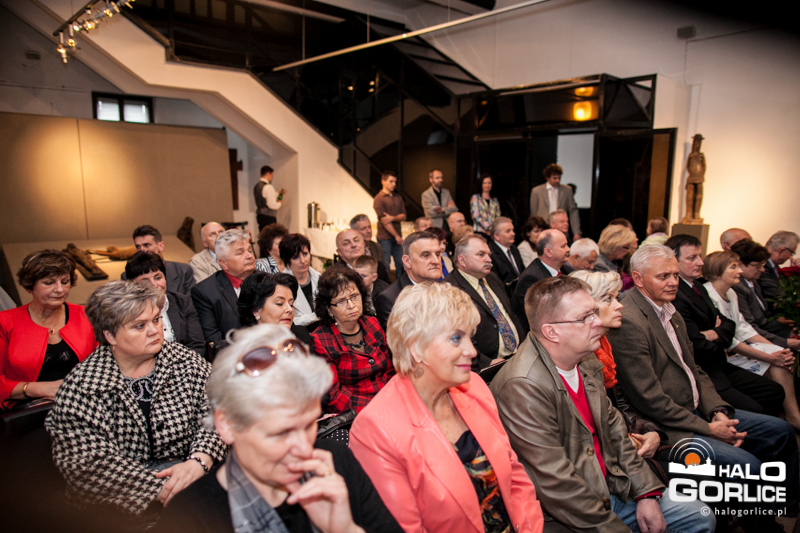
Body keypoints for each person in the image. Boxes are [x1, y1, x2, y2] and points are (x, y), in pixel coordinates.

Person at [491, 276, 713, 532]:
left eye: (594, 312)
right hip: (569, 512)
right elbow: (556, 484)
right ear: (552, 332)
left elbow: (616, 432)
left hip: (610, 485)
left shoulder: (585, 360)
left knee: (700, 516)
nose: (597, 322)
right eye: (585, 317)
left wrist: (646, 493)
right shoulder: (523, 387)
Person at [608, 245, 799, 530]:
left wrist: (717, 410)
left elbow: (695, 369)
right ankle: (762, 527)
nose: (673, 282)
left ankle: (783, 509)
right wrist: (709, 429)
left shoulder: (670, 311)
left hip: (699, 410)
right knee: (748, 467)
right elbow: (650, 400)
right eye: (663, 276)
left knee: (781, 431)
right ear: (638, 279)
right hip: (671, 426)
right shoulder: (630, 321)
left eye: (675, 275)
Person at [155, 324, 402, 533]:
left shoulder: (336, 464)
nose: (304, 448)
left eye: (309, 425)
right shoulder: (190, 516)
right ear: (227, 424)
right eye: (281, 433)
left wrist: (346, 529)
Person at [350, 282, 545, 532]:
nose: (472, 351)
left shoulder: (475, 386)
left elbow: (515, 478)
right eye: (456, 338)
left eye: (470, 337)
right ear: (416, 348)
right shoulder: (375, 430)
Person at [45, 281, 226, 516]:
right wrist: (164, 489)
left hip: (194, 480)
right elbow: (90, 465)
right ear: (110, 335)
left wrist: (199, 461)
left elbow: (218, 412)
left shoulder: (186, 361)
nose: (155, 330)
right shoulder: (82, 386)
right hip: (116, 510)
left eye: (156, 319)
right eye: (139, 326)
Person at [666, 234, 785, 416]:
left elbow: (729, 325)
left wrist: (714, 333)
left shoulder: (698, 286)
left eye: (700, 256)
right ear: (674, 261)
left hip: (719, 363)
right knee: (757, 407)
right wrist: (718, 335)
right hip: (705, 370)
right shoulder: (676, 294)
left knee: (775, 391)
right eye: (692, 258)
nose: (700, 262)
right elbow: (696, 343)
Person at [570, 270, 666, 456]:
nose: (619, 305)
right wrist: (628, 440)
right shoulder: (580, 357)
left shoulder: (604, 346)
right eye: (608, 299)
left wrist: (653, 432)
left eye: (616, 298)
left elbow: (621, 403)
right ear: (586, 308)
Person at [702, 251, 800, 431]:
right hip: (723, 357)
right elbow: (728, 340)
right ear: (718, 270)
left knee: (779, 355)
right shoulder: (708, 294)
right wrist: (770, 356)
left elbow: (743, 327)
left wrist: (776, 349)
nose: (740, 271)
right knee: (775, 361)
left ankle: (787, 416)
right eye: (734, 267)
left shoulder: (730, 292)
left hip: (735, 350)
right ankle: (791, 416)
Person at [1, 250, 95, 409]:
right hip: (27, 412)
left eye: (65, 282)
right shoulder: (5, 322)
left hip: (84, 406)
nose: (60, 289)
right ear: (30, 286)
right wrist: (38, 389)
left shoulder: (87, 315)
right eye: (48, 283)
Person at [312, 266, 393, 414]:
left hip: (389, 400)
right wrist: (375, 410)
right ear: (329, 309)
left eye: (354, 296)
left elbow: (390, 371)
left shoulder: (373, 323)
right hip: (356, 413)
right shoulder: (321, 340)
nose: (351, 305)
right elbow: (334, 396)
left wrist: (393, 400)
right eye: (341, 301)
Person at [445, 234, 523, 369]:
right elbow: (455, 335)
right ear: (462, 260)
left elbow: (510, 314)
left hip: (517, 355)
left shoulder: (492, 278)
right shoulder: (449, 290)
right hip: (489, 365)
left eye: (489, 254)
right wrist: (485, 363)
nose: (489, 259)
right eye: (481, 255)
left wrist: (523, 345)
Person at [125, 251, 205, 354]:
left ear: (165, 277)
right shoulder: (128, 312)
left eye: (158, 278)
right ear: (132, 285)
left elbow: (197, 345)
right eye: (145, 281)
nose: (154, 284)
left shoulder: (183, 302)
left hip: (186, 361)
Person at [192, 229, 255, 349]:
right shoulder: (205, 292)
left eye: (250, 250)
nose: (249, 256)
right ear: (224, 263)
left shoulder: (267, 281)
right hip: (234, 353)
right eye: (240, 253)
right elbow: (213, 339)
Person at [731, 239, 797, 348]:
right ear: (740, 264)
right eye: (757, 266)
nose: (762, 270)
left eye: (763, 265)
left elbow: (763, 320)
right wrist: (785, 342)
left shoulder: (753, 282)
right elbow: (749, 327)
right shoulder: (737, 287)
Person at [374, 231, 443, 329]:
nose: (436, 261)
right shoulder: (391, 299)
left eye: (438, 254)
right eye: (426, 255)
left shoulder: (447, 289)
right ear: (407, 261)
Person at [237, 271, 313, 346]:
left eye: (291, 304)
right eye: (279, 303)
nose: (289, 309)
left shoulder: (300, 336)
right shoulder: (242, 345)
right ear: (256, 310)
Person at [512, 229, 571, 321]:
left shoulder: (567, 270)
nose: (568, 249)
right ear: (548, 252)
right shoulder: (531, 279)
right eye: (563, 246)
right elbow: (538, 317)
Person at [125, 225, 196, 295]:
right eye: (138, 247)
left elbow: (191, 300)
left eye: (146, 245)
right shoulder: (127, 275)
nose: (142, 250)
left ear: (160, 246)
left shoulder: (183, 270)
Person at [529, 163, 581, 240]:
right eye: (555, 178)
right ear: (547, 177)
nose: (558, 180)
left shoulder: (567, 190)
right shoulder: (536, 191)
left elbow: (573, 211)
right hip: (543, 227)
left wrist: (576, 232)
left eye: (559, 178)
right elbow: (534, 213)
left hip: (561, 229)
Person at [280, 233, 320, 328]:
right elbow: (285, 318)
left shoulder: (319, 278)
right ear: (287, 260)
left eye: (305, 254)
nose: (303, 261)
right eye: (296, 257)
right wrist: (313, 317)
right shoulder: (280, 285)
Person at [373, 170, 406, 277]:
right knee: (385, 264)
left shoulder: (398, 197)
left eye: (395, 182)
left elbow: (404, 216)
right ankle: (386, 286)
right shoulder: (378, 199)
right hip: (384, 237)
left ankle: (401, 285)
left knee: (400, 263)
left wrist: (392, 218)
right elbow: (384, 221)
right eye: (391, 181)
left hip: (397, 236)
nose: (394, 184)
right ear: (383, 181)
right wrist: (396, 236)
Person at [760, 230, 800, 307]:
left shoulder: (773, 265)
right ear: (781, 250)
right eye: (792, 253)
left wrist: (792, 272)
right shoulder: (762, 266)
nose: (790, 257)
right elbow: (778, 295)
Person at [349, 214, 389, 282]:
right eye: (363, 229)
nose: (368, 231)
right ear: (354, 232)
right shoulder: (352, 250)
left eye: (369, 227)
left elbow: (383, 273)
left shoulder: (376, 246)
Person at [487, 216, 525, 287]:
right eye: (508, 231)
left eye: (513, 230)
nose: (513, 234)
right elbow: (496, 282)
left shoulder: (514, 248)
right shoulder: (490, 253)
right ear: (497, 236)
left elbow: (522, 271)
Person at [254, 165, 284, 231]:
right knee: (270, 235)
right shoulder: (268, 187)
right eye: (272, 175)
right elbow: (271, 205)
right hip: (268, 217)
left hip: (260, 215)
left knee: (263, 234)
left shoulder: (257, 186)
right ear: (268, 174)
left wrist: (278, 193)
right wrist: (280, 203)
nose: (272, 178)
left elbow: (264, 197)